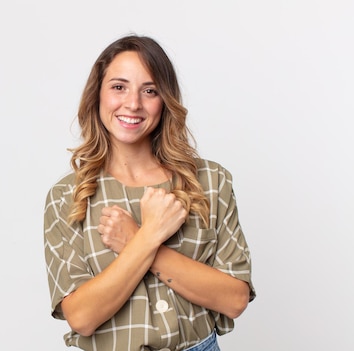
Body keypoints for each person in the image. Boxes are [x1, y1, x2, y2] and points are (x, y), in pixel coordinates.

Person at [43, 34, 256, 351]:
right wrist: (150, 235)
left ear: (165, 100)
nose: (133, 103)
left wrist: (135, 239)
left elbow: (234, 299)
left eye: (149, 91)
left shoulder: (210, 181)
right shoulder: (68, 196)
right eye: (119, 87)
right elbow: (82, 317)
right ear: (97, 95)